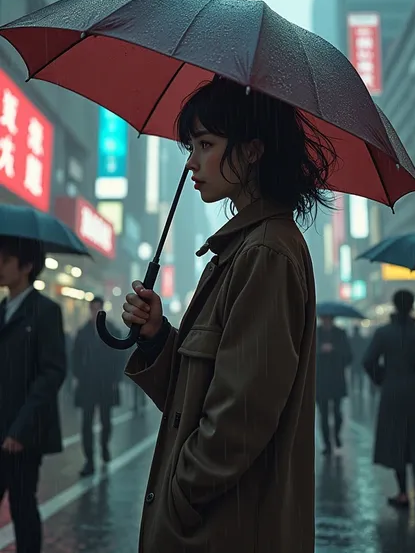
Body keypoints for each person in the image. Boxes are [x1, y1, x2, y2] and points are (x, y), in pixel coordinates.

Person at [122, 76, 337, 553]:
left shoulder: (265, 253)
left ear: (253, 150)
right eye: (191, 146)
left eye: (206, 144)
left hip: (224, 531)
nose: (193, 162)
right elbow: (203, 392)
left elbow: (240, 417)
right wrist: (158, 337)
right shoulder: (242, 249)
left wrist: (182, 495)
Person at [0, 236, 66, 553]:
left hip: (24, 433)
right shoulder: (2, 311)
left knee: (22, 506)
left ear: (26, 266)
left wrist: (20, 428)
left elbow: (52, 372)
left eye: (5, 261)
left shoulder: (45, 311)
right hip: (1, 425)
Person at [364, 289, 415, 508]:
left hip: (392, 391)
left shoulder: (384, 333)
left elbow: (368, 360)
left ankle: (402, 492)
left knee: (397, 440)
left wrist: (382, 378)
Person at [73, 296, 124, 477]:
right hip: (88, 384)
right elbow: (75, 357)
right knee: (86, 423)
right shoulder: (83, 332)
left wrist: (116, 379)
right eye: (93, 309)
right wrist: (79, 376)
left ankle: (104, 446)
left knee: (105, 420)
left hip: (106, 383)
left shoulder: (111, 329)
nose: (95, 313)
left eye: (98, 309)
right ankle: (89, 459)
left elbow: (119, 356)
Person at [316, 315, 352, 456]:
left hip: (337, 378)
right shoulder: (315, 333)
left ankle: (336, 434)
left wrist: (334, 350)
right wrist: (320, 351)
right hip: (320, 380)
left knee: (337, 412)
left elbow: (348, 356)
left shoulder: (340, 334)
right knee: (323, 414)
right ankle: (327, 444)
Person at [350, 323, 368, 394]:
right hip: (360, 359)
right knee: (360, 375)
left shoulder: (351, 339)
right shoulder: (362, 339)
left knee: (353, 375)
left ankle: (352, 388)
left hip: (353, 360)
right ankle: (360, 388)